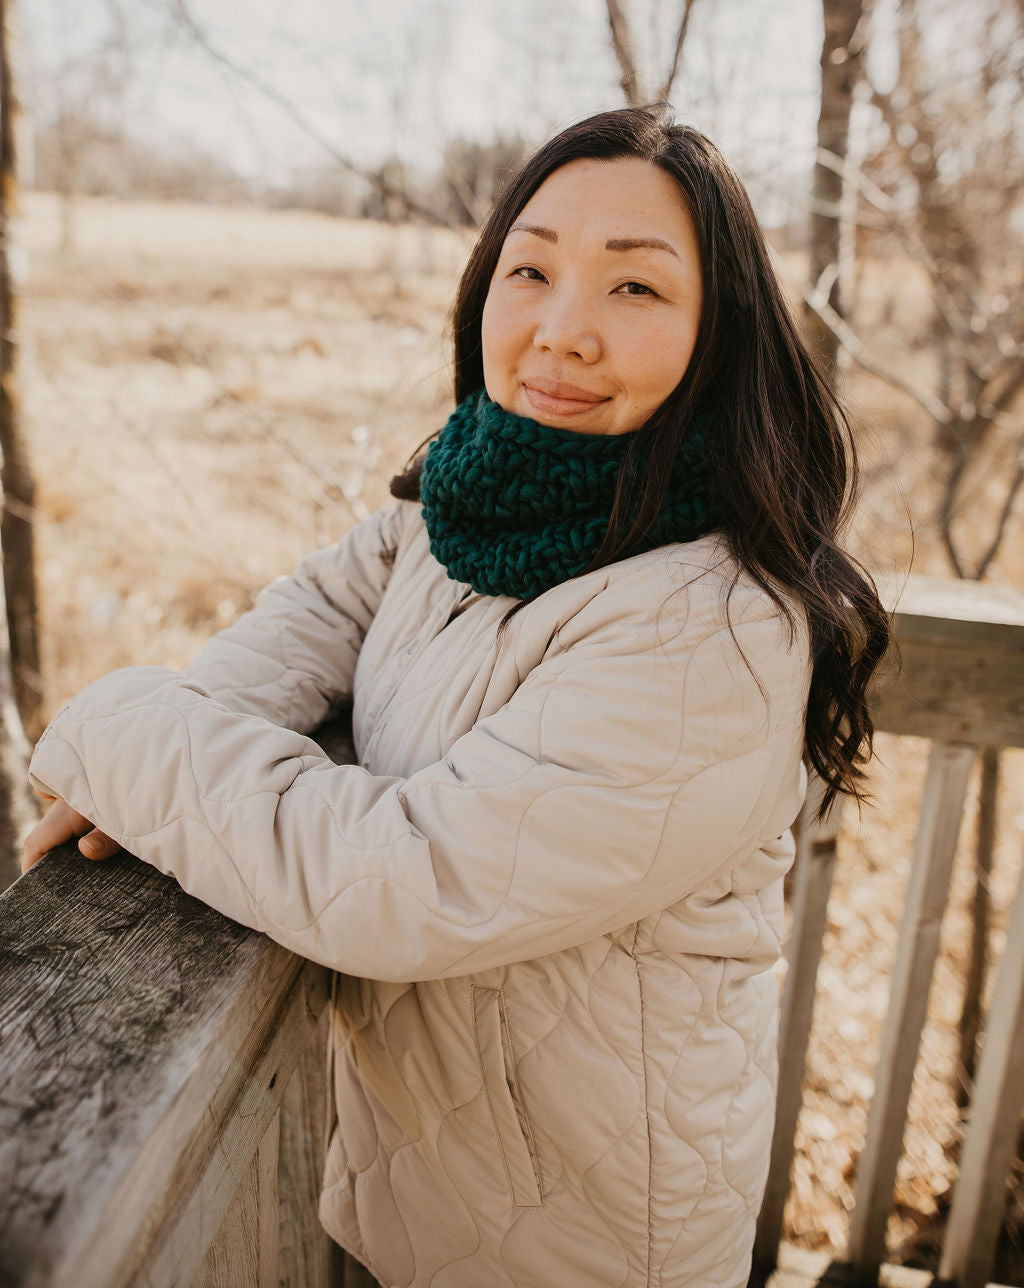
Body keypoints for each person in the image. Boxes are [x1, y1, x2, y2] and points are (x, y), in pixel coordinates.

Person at [22, 107, 889, 1288]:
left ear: (719, 335)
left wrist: (119, 731)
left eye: (634, 290)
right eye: (529, 270)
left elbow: (404, 883)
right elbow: (322, 610)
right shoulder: (469, 504)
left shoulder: (713, 628)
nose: (562, 330)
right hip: (411, 1195)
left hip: (585, 1249)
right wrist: (183, 746)